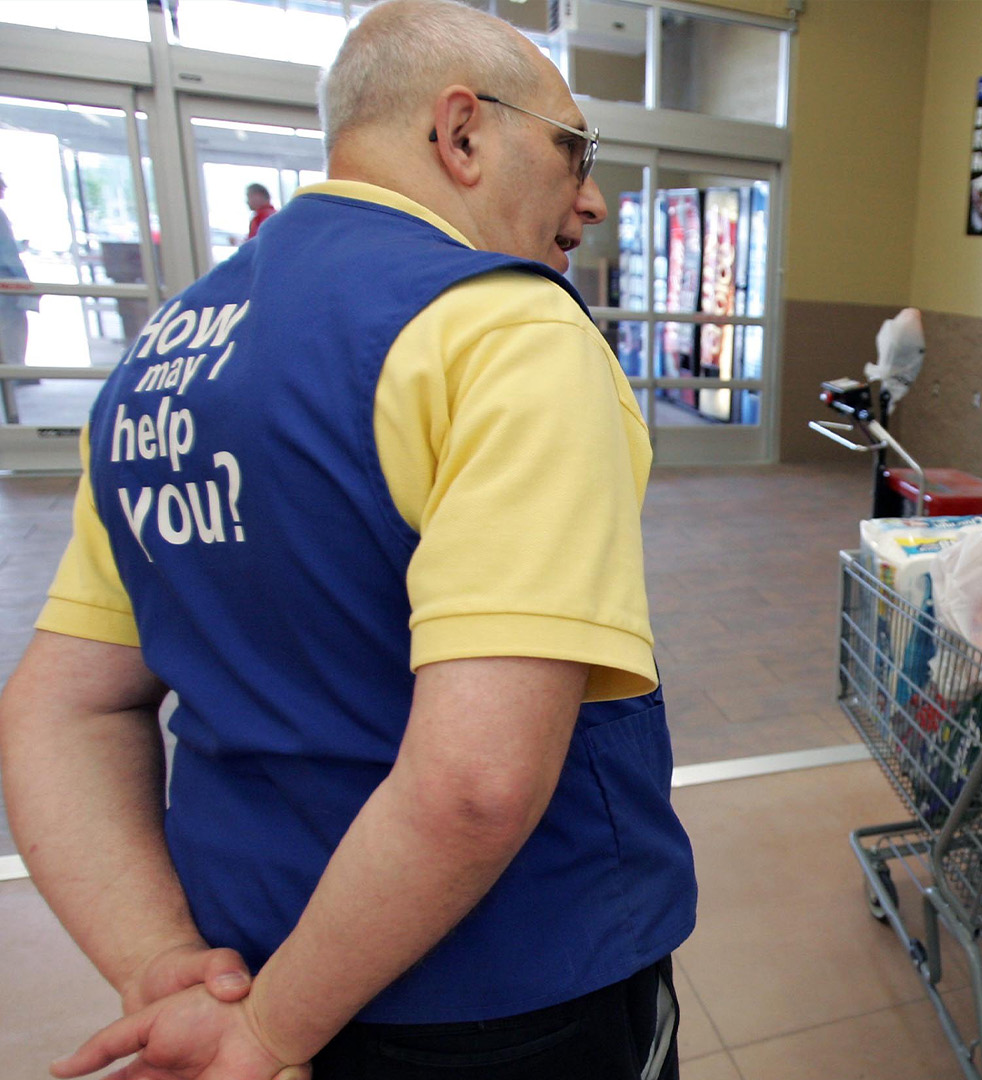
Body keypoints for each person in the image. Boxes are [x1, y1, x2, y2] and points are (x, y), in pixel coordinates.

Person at [0, 2, 694, 1077]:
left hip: (249, 955)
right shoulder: (507, 330)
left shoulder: (163, 358)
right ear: (462, 133)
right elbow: (477, 780)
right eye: (573, 152)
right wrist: (266, 1034)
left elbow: (66, 702)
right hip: (508, 999)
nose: (591, 200)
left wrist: (172, 975)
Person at [0, 171, 37, 423]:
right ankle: (11, 390)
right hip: (6, 291)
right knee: (10, 339)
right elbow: (7, 254)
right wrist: (25, 286)